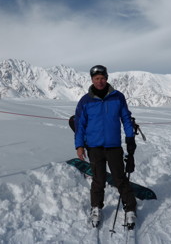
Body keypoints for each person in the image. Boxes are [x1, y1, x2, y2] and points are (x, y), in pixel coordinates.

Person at [74, 65, 137, 228]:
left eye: (102, 78)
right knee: (98, 180)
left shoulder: (118, 97)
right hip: (94, 147)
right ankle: (96, 208)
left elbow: (126, 118)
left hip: (114, 146)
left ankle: (130, 208)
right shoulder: (85, 101)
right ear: (92, 80)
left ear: (107, 78)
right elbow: (80, 125)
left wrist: (130, 139)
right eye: (96, 79)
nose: (100, 81)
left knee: (120, 179)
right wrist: (79, 145)